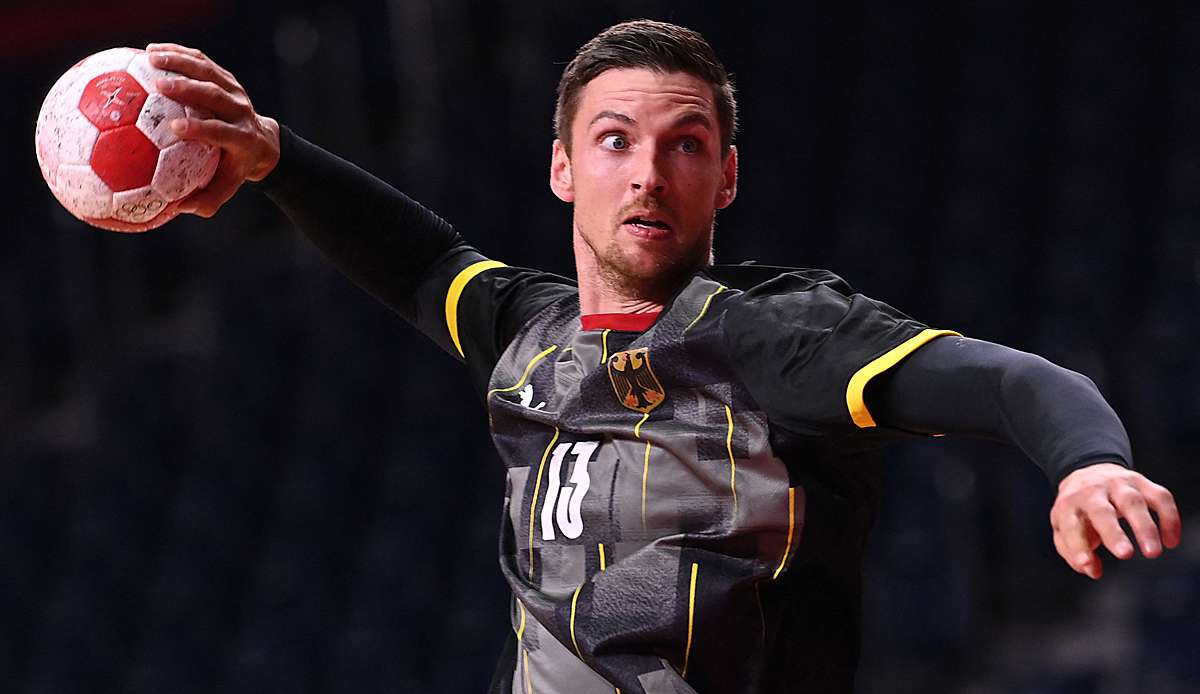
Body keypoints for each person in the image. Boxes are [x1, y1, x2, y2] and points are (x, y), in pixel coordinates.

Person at [142, 20, 1181, 694]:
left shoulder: (772, 335)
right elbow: (418, 260)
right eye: (614, 141)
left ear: (725, 179)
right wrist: (274, 155)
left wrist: (1088, 459)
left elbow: (1012, 378)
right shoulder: (524, 331)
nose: (649, 173)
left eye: (684, 144)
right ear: (561, 167)